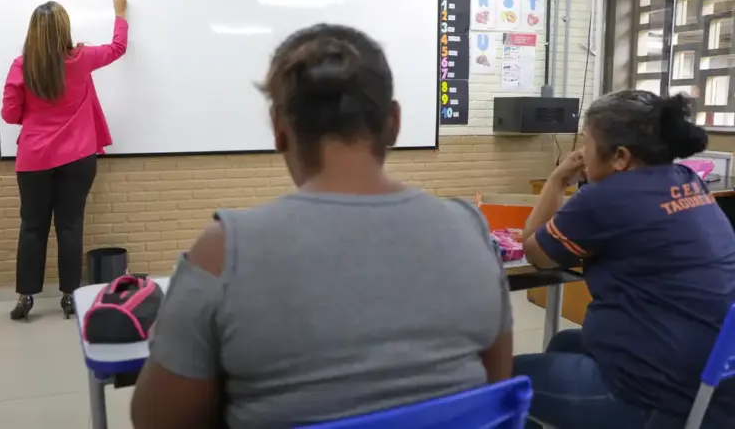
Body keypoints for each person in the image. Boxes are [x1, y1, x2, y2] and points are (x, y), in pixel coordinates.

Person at [130, 24, 513, 429]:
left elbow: (156, 421)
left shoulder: (223, 253)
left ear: (279, 127)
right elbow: (494, 390)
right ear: (394, 122)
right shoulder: (471, 231)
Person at [514, 90, 735, 429]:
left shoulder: (606, 199)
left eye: (586, 142)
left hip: (654, 399)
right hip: (712, 386)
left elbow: (535, 253)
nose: (581, 154)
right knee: (564, 342)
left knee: (492, 375)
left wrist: (558, 178)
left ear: (619, 156)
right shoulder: (688, 180)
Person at [1, 0, 128, 321]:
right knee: (70, 227)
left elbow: (10, 113)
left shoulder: (21, 66)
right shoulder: (82, 59)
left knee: (32, 227)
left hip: (34, 160)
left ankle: (25, 298)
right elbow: (118, 48)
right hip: (78, 159)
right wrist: (120, 13)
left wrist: (36, 117)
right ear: (64, 29)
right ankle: (70, 296)